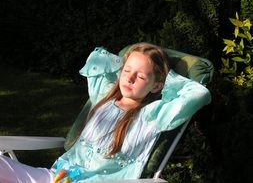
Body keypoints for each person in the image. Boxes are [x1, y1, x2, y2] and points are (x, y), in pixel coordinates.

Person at [0, 42, 211, 182]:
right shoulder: (103, 95)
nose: (129, 79)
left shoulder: (154, 115)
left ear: (156, 86)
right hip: (54, 177)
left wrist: (166, 80)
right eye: (127, 71)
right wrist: (129, 60)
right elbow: (97, 59)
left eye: (140, 77)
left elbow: (198, 93)